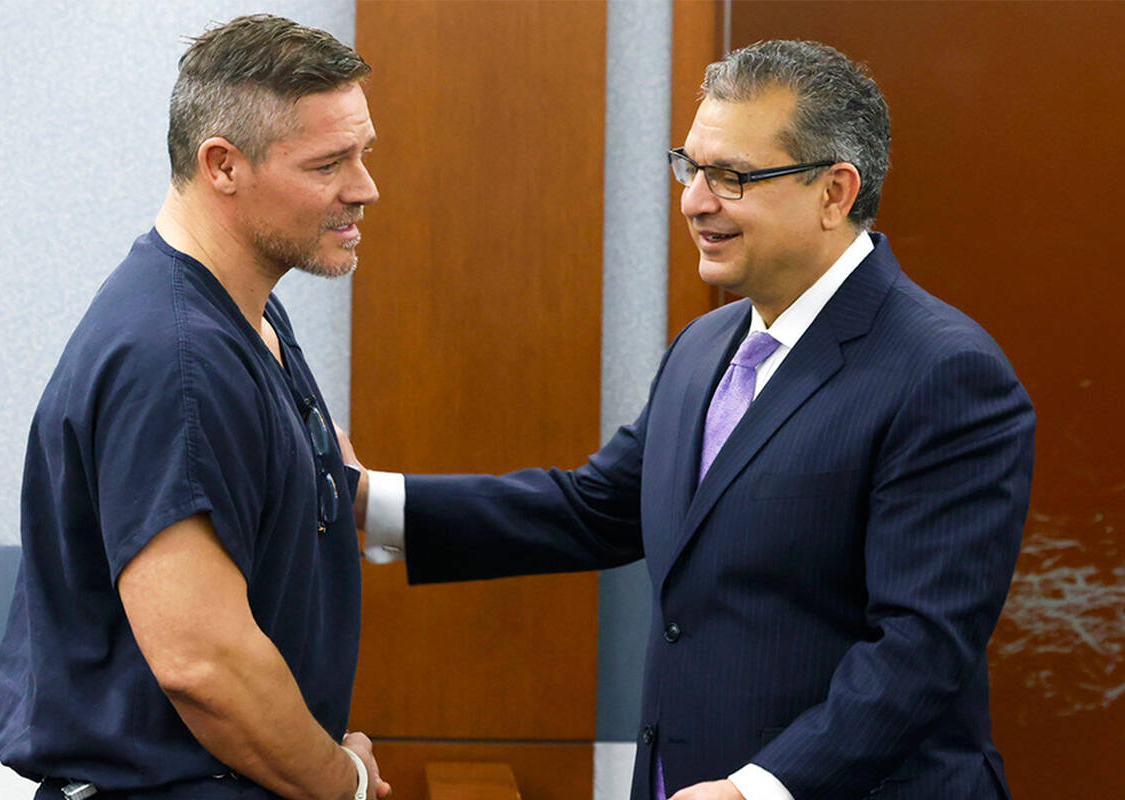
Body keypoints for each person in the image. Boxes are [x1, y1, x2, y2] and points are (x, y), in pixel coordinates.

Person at [346, 40, 1034, 800]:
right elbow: (597, 509)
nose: (694, 200)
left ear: (835, 193)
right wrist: (366, 499)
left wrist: (757, 789)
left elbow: (920, 648)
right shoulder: (707, 343)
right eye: (691, 166)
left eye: (732, 177)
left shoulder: (945, 373)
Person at [0, 15, 389, 800]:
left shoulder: (251, 319)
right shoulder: (176, 360)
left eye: (365, 153)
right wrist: (341, 781)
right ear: (222, 165)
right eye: (329, 163)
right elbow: (205, 667)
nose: (364, 187)